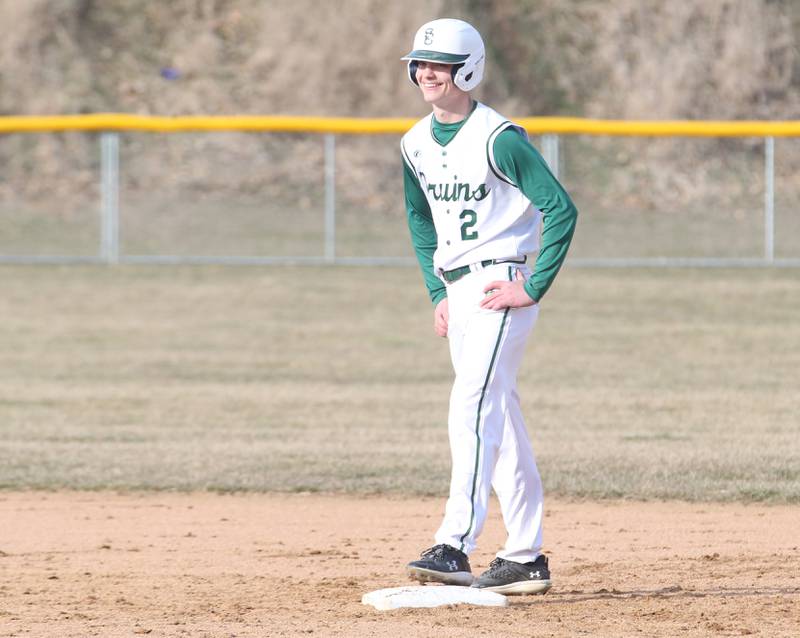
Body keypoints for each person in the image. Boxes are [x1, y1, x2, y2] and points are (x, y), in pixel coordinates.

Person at [400, 18, 578, 595]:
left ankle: (455, 542)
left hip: (501, 284)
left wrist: (534, 284)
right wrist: (437, 291)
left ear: (468, 69)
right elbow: (421, 219)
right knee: (498, 416)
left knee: (472, 406)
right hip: (459, 289)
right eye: (420, 63)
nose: (426, 72)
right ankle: (525, 556)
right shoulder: (414, 142)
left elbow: (560, 209)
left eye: (439, 64)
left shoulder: (499, 136)